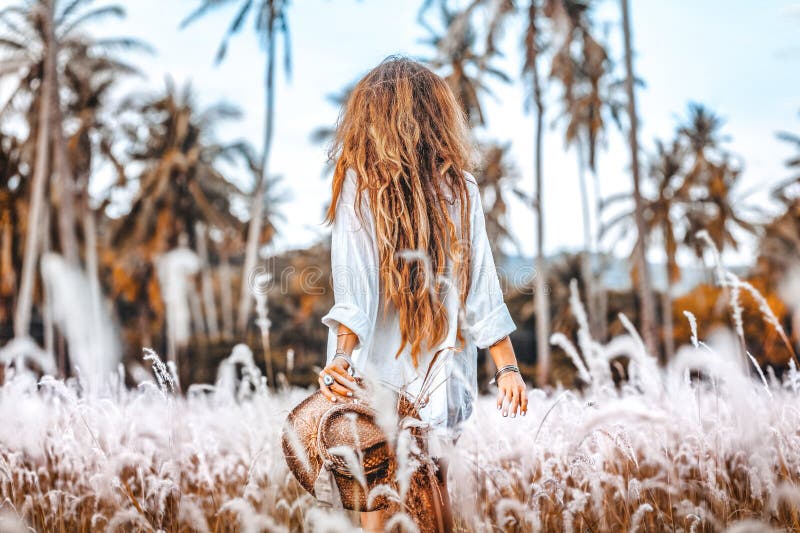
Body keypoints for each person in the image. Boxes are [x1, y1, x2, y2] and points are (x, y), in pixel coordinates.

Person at [318, 56, 527, 533]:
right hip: (440, 376)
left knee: (377, 506)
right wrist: (507, 367)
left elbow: (354, 285)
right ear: (437, 116)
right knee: (435, 500)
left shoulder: (359, 185)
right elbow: (481, 287)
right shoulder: (460, 188)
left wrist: (343, 358)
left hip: (374, 376)